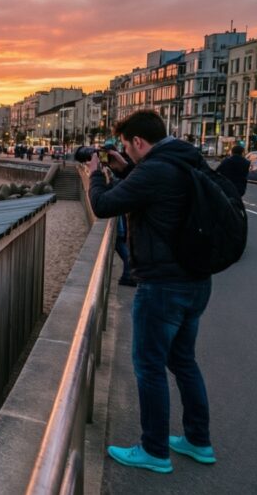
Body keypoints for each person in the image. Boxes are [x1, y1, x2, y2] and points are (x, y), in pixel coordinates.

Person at [87, 109, 216, 474]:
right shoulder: (184, 160)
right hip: (196, 281)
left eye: (127, 146)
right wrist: (128, 170)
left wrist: (96, 173)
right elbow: (157, 197)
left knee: (149, 366)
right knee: (183, 362)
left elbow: (103, 205)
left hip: (162, 287)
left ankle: (155, 449)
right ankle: (197, 439)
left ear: (138, 142)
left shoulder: (155, 170)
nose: (125, 151)